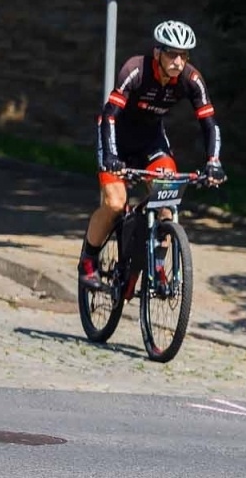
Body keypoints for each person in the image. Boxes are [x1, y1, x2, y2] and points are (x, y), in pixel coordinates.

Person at [78, 20, 225, 289]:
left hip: (151, 142)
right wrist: (111, 156)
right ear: (158, 52)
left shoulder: (191, 79)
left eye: (184, 55)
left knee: (167, 199)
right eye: (172, 54)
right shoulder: (135, 70)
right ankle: (88, 260)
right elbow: (110, 115)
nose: (178, 61)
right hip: (115, 138)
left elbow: (209, 123)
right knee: (114, 203)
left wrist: (213, 162)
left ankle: (157, 265)